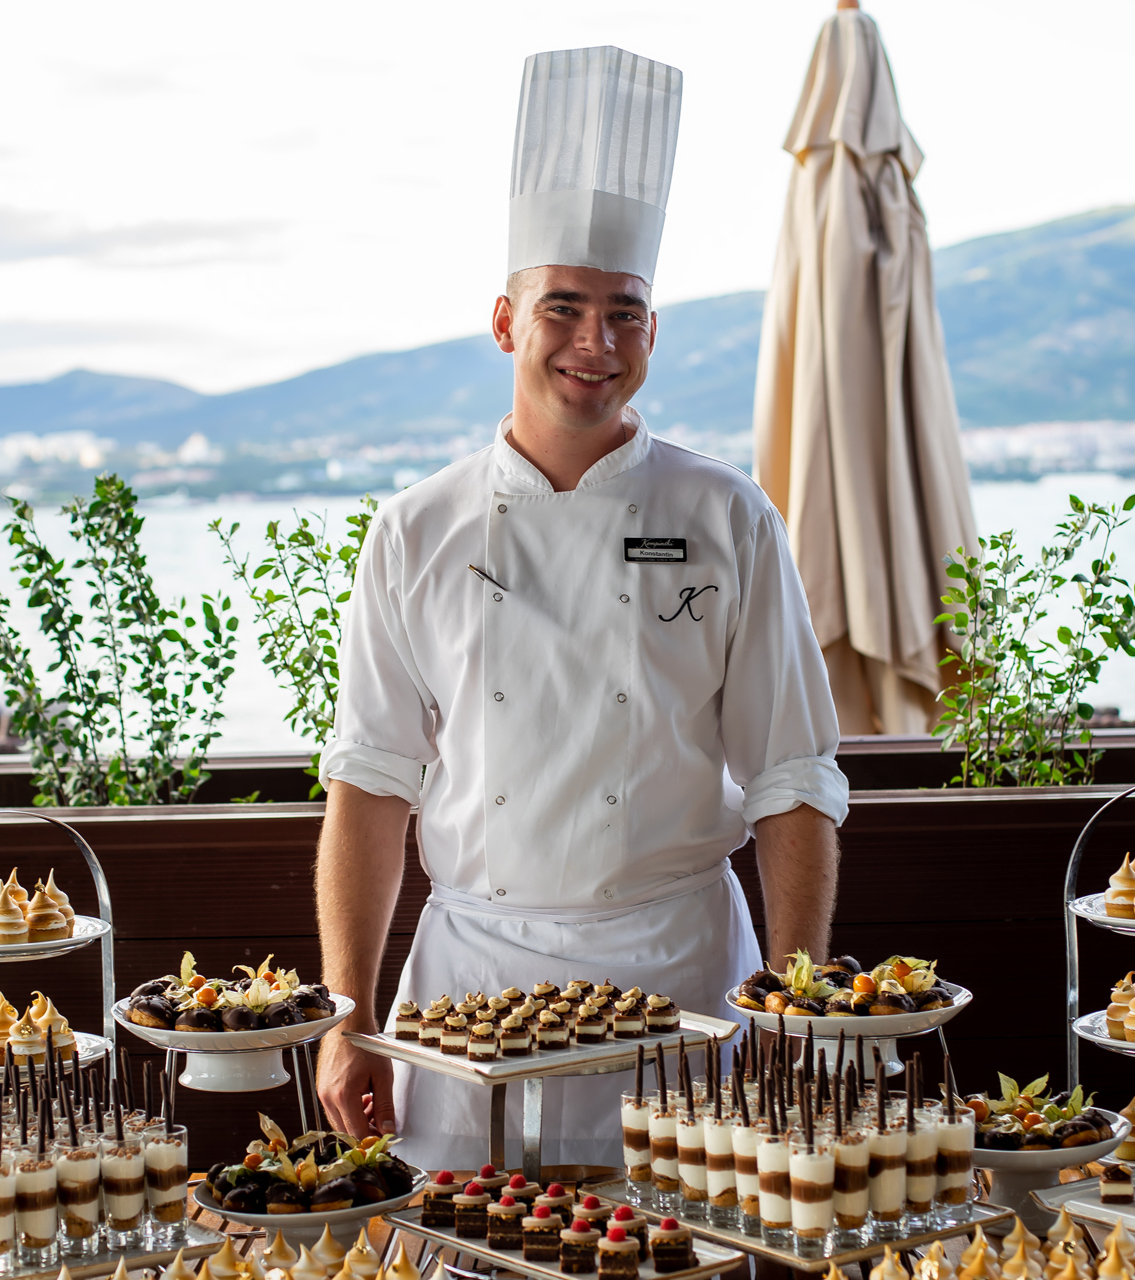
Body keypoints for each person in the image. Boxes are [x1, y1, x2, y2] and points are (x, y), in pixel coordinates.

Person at [312, 45, 848, 1169]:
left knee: (683, 1234)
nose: (595, 343)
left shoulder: (730, 516)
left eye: (624, 312)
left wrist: (792, 1010)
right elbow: (370, 786)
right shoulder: (416, 529)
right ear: (506, 321)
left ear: (654, 331)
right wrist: (345, 1015)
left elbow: (793, 780)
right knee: (463, 1238)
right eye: (563, 307)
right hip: (469, 986)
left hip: (683, 978)